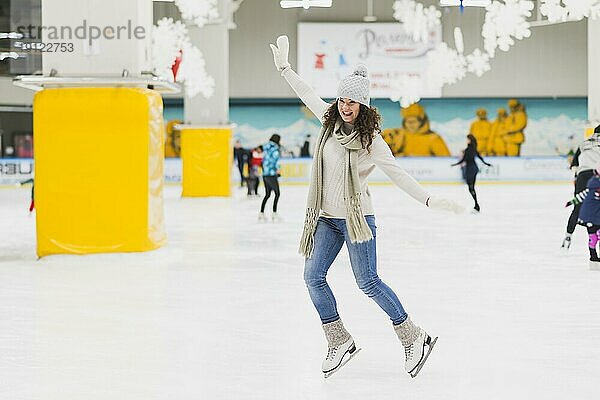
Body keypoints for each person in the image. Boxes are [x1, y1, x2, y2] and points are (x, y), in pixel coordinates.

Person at [269, 35, 464, 378]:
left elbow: (398, 175)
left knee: (368, 281)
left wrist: (430, 200)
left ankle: (413, 335)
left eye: (352, 102)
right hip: (326, 218)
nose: (345, 106)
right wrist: (285, 68)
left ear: (363, 106)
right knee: (313, 276)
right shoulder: (328, 122)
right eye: (342, 99)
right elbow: (306, 92)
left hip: (357, 219)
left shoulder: (371, 142)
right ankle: (339, 339)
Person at [562, 125, 600, 250]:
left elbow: (573, 165)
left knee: (578, 207)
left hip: (582, 176)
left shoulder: (583, 144)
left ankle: (568, 235)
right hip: (596, 176)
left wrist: (577, 176)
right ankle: (594, 239)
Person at [564, 164, 600, 271]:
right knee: (593, 238)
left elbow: (581, 195)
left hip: (590, 217)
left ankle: (593, 258)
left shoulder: (591, 186)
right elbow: (583, 195)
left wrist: (571, 202)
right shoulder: (593, 186)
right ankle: (593, 259)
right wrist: (571, 202)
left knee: (593, 238)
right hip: (592, 217)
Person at [382, 103, 450, 156]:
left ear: (421, 122)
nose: (411, 124)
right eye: (408, 122)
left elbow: (446, 161)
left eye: (414, 121)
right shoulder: (396, 135)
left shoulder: (434, 138)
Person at [451, 134, 492, 213]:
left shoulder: (467, 150)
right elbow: (480, 158)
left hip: (470, 170)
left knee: (471, 188)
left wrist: (455, 164)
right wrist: (487, 163)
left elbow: (463, 160)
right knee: (472, 187)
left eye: (467, 139)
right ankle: (476, 205)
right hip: (474, 169)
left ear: (469, 140)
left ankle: (477, 205)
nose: (466, 140)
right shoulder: (474, 149)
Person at [259, 134, 282, 222]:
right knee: (277, 193)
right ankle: (274, 213)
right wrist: (278, 170)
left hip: (265, 174)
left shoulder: (265, 146)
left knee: (267, 194)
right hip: (272, 174)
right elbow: (276, 161)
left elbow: (263, 159)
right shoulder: (275, 148)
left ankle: (261, 213)